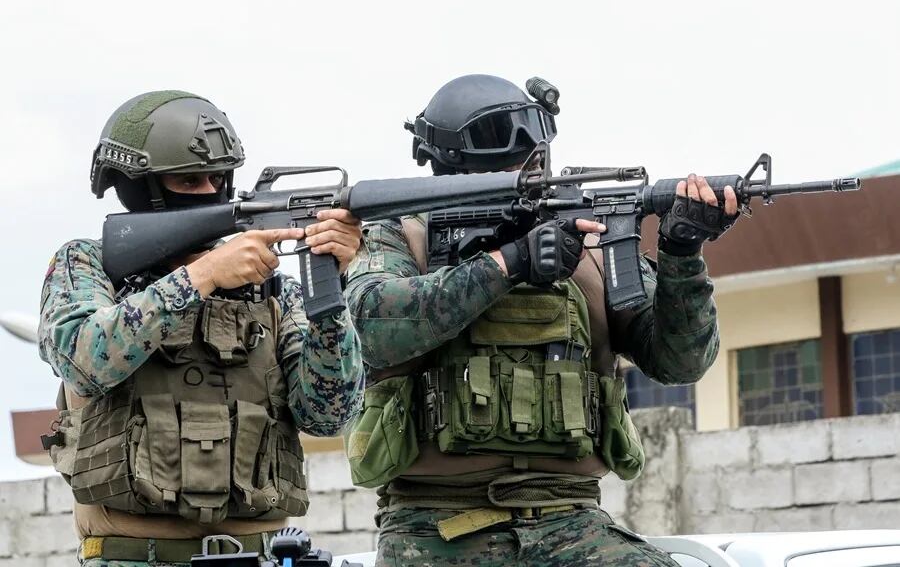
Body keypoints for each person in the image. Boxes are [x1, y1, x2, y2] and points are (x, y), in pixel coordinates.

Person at [344, 74, 739, 566]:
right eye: (505, 162)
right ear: (447, 165)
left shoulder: (592, 242)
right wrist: (509, 264)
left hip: (571, 522)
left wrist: (683, 252)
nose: (526, 171)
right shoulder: (401, 236)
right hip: (434, 525)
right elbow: (373, 331)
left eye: (532, 158)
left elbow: (681, 364)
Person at [38, 90, 365, 566]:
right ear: (139, 187)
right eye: (190, 180)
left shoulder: (272, 291)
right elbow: (84, 359)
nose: (211, 192)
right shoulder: (89, 264)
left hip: (265, 555)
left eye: (218, 178)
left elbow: (329, 415)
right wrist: (204, 276)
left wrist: (332, 290)